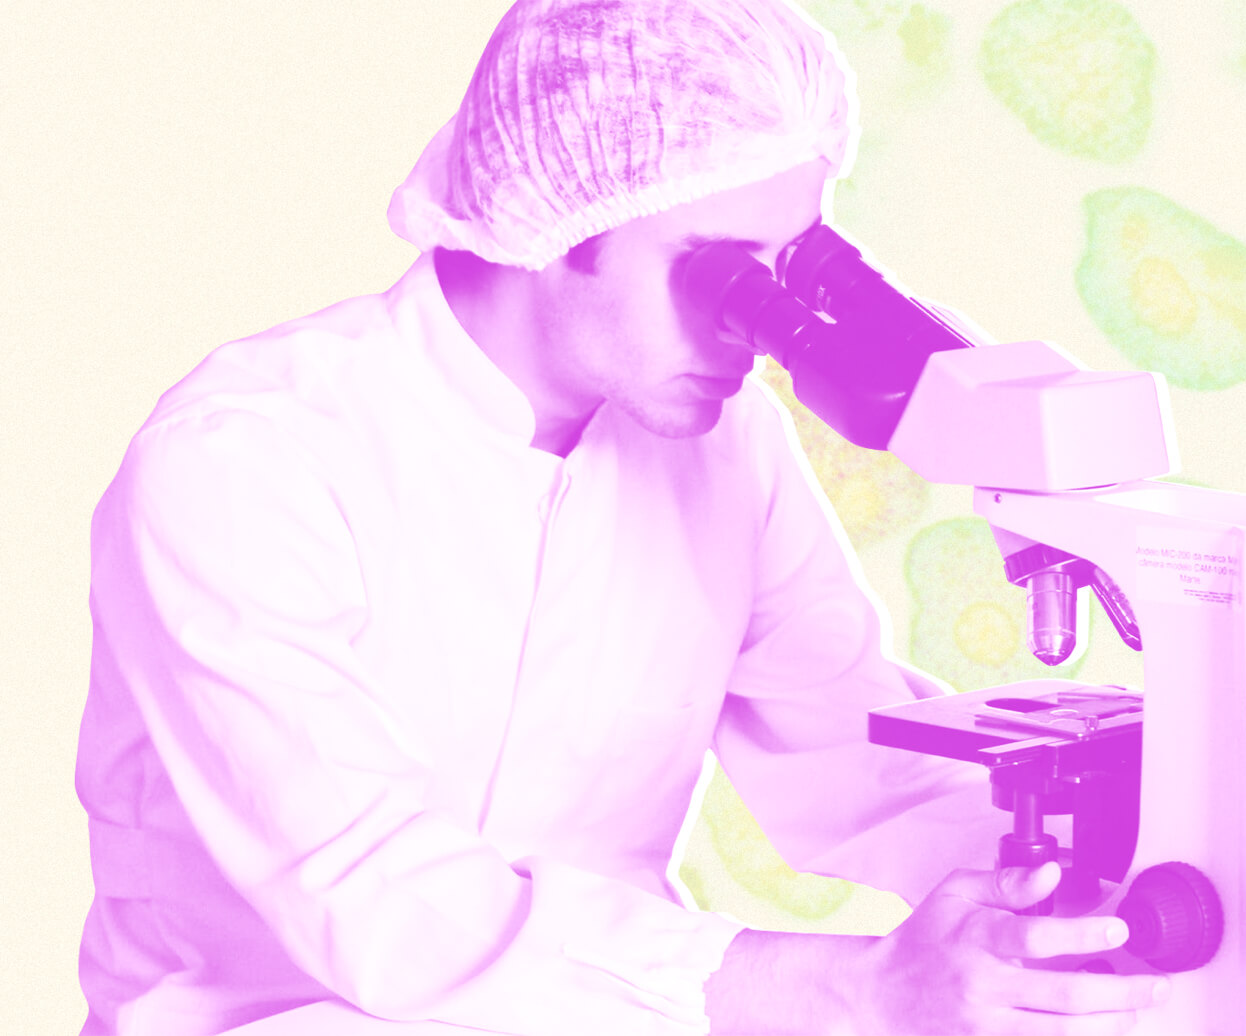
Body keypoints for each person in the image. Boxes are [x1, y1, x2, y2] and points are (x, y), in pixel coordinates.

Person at [75, 1, 1170, 1032]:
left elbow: (854, 756)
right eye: (723, 279)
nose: (757, 335)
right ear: (562, 229)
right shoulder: (248, 459)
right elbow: (374, 896)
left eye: (788, 271)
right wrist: (856, 991)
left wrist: (1123, 866)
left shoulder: (723, 446)